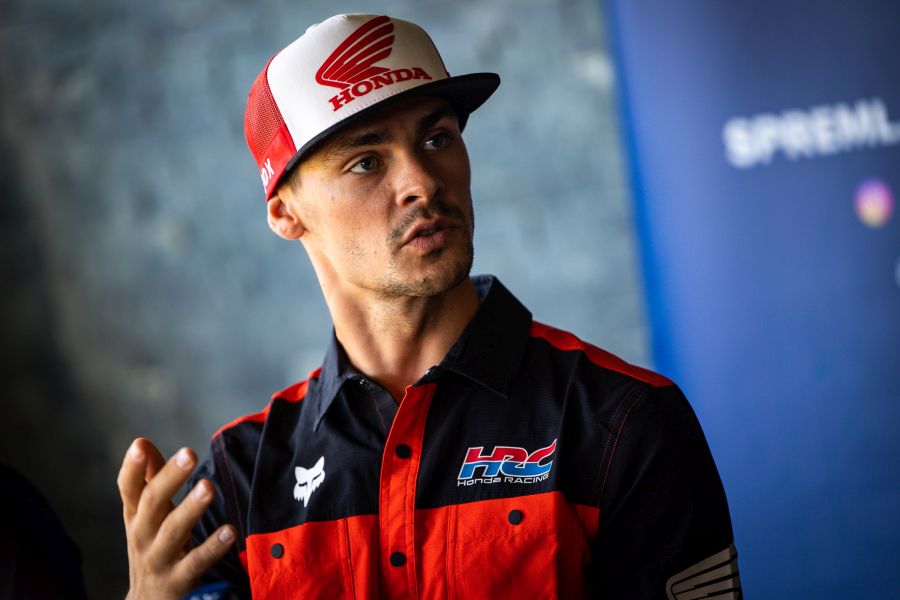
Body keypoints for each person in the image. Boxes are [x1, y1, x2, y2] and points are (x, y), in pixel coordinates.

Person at [117, 13, 741, 600]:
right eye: (366, 162)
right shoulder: (239, 478)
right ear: (285, 213)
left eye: (437, 138)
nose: (422, 181)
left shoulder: (622, 422)